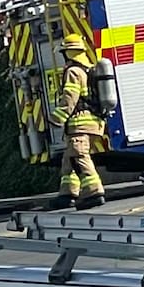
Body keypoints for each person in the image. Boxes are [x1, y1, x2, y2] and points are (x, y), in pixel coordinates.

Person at [48, 33, 107, 211]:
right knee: (69, 159)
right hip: (92, 122)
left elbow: (70, 97)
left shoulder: (74, 71)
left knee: (80, 156)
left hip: (80, 123)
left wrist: (57, 118)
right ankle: (67, 194)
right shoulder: (87, 69)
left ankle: (94, 192)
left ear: (69, 53)